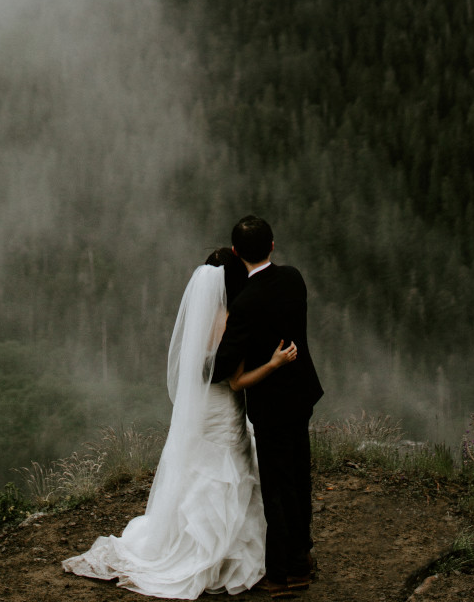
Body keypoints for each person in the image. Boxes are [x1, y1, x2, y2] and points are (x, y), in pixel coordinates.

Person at [62, 244, 300, 597]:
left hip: (203, 409)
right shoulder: (231, 319)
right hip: (223, 410)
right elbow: (235, 381)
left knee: (200, 473)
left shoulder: (199, 318)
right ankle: (217, 554)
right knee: (228, 471)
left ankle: (192, 542)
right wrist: (273, 364)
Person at [211, 216, 324, 595]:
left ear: (237, 252)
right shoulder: (293, 278)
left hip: (271, 405)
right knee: (300, 477)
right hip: (301, 395)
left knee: (277, 488)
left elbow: (223, 365)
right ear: (273, 246)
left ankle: (283, 573)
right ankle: (302, 555)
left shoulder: (244, 303)